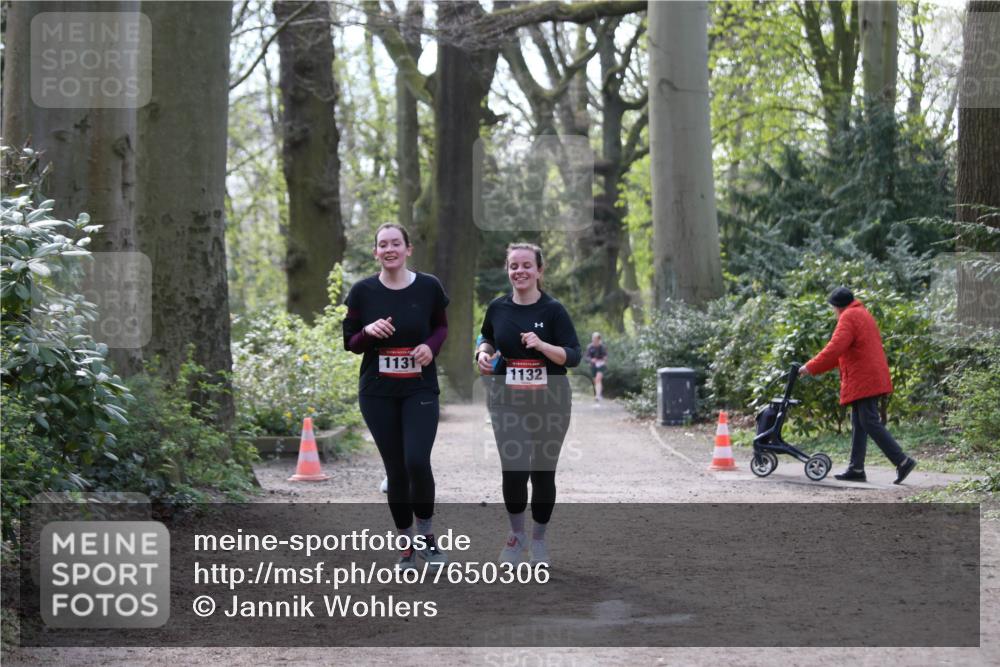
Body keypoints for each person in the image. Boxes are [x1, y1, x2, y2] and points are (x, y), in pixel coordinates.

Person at [343, 223, 450, 569]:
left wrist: (430, 348)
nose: (389, 249)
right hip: (377, 391)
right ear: (375, 252)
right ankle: (406, 545)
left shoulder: (429, 286)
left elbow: (441, 326)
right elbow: (351, 343)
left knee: (417, 461)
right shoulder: (363, 292)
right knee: (396, 470)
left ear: (408, 249)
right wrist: (368, 332)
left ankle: (428, 538)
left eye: (395, 243)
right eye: (382, 245)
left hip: (419, 386)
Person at [475, 242, 581, 566]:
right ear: (508, 270)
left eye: (526, 265)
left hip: (551, 401)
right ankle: (516, 535)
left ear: (539, 270)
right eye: (514, 266)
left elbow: (573, 356)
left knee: (543, 473)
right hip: (507, 400)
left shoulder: (553, 310)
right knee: (514, 469)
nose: (519, 271)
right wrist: (481, 352)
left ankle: (538, 541)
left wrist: (542, 345)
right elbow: (486, 336)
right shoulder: (497, 308)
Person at [799, 287, 917, 484]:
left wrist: (809, 367)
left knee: (868, 421)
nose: (833, 312)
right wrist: (813, 368)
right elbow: (841, 353)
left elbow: (835, 347)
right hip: (868, 375)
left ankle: (902, 461)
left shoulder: (849, 317)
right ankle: (856, 468)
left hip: (865, 377)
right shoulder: (862, 313)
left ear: (837, 307)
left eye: (833, 308)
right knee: (859, 422)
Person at [585, 332, 608, 403]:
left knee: (598, 379)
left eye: (595, 338)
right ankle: (599, 394)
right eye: (593, 338)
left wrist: (600, 360)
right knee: (596, 381)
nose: (594, 340)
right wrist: (591, 360)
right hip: (593, 366)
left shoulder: (602, 347)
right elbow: (586, 357)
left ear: (599, 339)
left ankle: (597, 396)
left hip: (601, 365)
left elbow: (605, 357)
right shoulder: (589, 347)